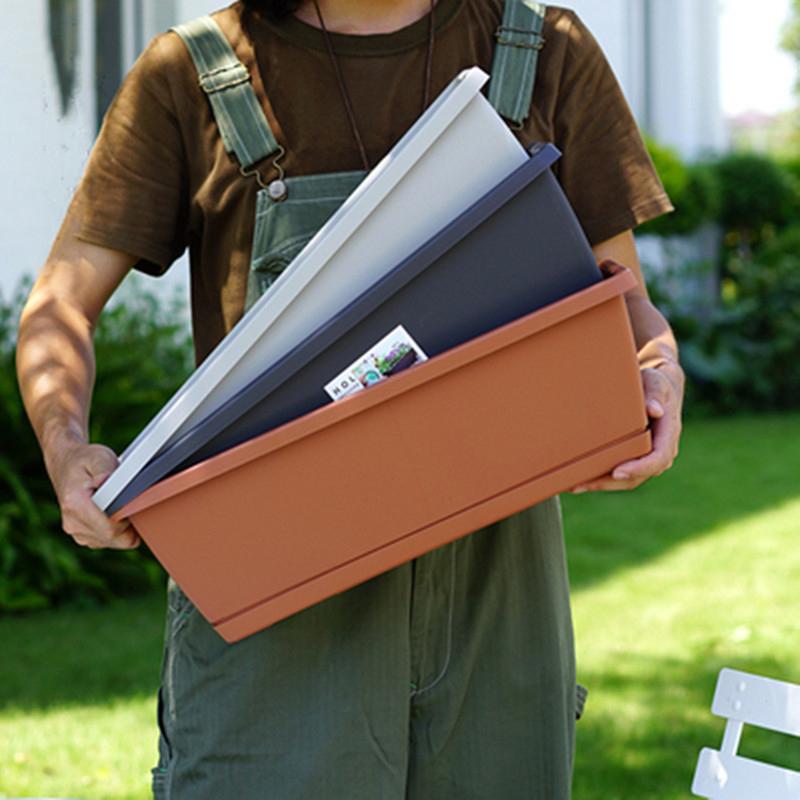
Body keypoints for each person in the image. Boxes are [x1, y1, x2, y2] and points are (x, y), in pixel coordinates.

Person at [16, 0, 684, 797]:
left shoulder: (544, 50)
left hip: (494, 585)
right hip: (273, 586)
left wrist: (655, 367)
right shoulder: (191, 73)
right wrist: (66, 449)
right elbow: (59, 306)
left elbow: (624, 300)